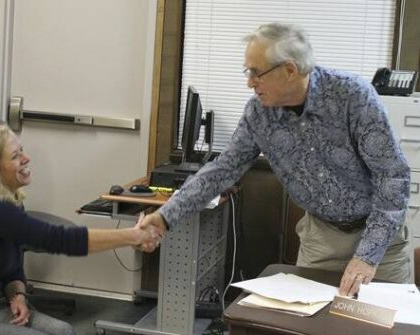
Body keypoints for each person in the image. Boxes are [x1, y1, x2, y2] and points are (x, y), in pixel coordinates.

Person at [143, 22, 411, 298]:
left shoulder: (353, 97)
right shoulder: (259, 115)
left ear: (290, 70)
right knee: (309, 330)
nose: (249, 82)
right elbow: (222, 170)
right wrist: (165, 216)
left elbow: (392, 176)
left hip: (381, 241)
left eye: (256, 73)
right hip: (321, 238)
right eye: (248, 72)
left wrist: (367, 256)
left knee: (384, 331)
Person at [0, 121, 160, 335]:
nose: (26, 159)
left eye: (21, 150)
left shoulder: (9, 202)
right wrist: (132, 236)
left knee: (64, 334)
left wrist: (18, 294)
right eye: (15, 156)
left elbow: (12, 268)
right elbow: (58, 239)